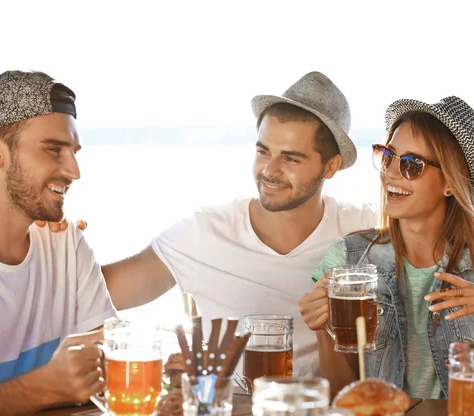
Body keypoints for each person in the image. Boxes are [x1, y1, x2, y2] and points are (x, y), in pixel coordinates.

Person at [85, 71, 376, 377]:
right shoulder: (204, 232)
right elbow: (92, 295)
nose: (269, 171)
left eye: (290, 159)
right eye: (263, 151)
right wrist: (49, 246)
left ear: (331, 166)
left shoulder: (362, 228)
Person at [298, 96, 474, 399]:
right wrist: (323, 329)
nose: (390, 172)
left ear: (450, 182)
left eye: (411, 165)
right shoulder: (347, 261)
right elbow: (346, 396)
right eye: (388, 155)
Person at [0, 71, 117, 414]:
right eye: (54, 149)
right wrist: (40, 389)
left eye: (73, 151)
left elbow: (107, 361)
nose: (75, 171)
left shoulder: (67, 246)